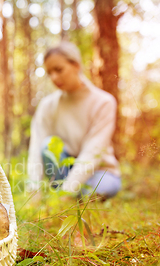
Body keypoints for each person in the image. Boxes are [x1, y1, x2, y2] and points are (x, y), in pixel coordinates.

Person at [27, 41, 121, 199]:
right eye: (49, 73)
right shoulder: (47, 105)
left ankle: (67, 196)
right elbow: (36, 148)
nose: (54, 77)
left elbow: (92, 153)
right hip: (63, 173)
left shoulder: (104, 102)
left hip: (99, 172)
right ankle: (67, 196)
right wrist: (34, 192)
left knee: (92, 189)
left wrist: (66, 193)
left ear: (76, 65)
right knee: (48, 145)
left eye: (58, 70)